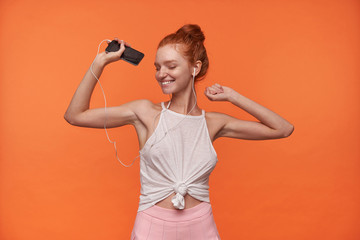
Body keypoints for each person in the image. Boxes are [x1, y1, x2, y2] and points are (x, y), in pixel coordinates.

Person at [64, 24, 294, 240]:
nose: (161, 74)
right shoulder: (144, 112)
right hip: (152, 227)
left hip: (201, 227)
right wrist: (99, 63)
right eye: (157, 67)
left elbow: (283, 129)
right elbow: (75, 115)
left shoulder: (213, 122)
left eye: (171, 66)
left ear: (195, 68)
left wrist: (233, 96)